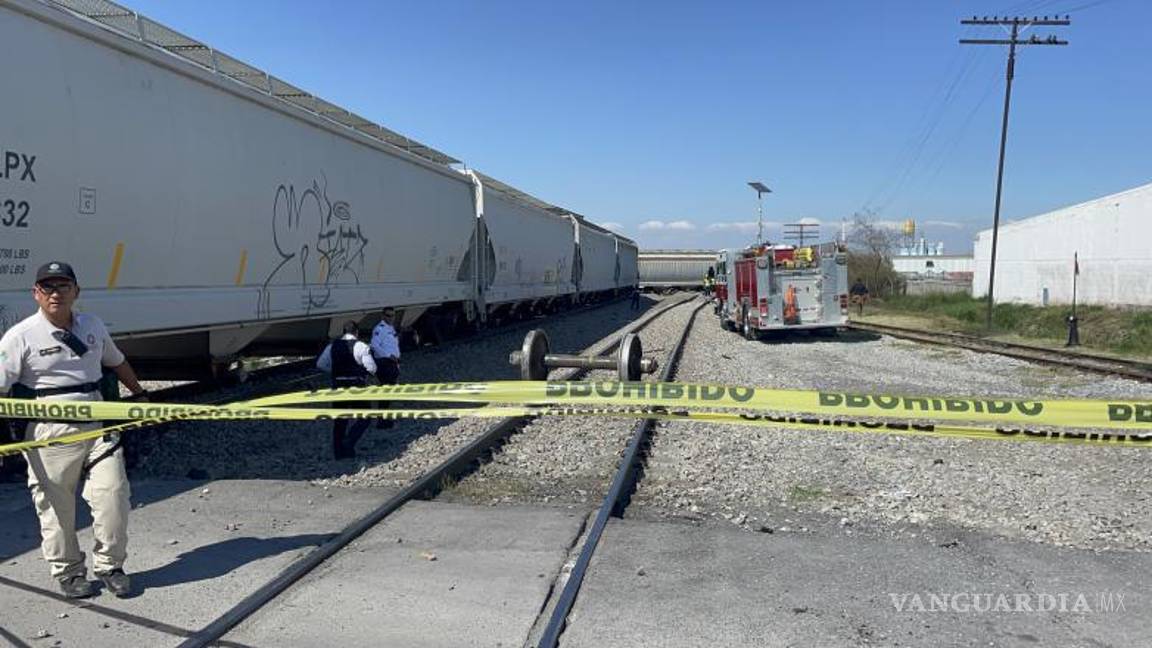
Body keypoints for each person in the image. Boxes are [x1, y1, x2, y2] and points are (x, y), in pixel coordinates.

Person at [0, 261, 148, 599]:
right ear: (36, 294)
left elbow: (115, 361)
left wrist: (140, 394)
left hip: (97, 427)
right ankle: (68, 572)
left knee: (113, 494)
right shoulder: (19, 337)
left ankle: (111, 566)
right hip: (50, 434)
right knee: (56, 506)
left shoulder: (92, 326)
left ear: (76, 292)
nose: (56, 293)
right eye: (48, 287)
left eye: (63, 286)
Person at [316, 321, 376, 459]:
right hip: (357, 387)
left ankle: (339, 453)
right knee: (365, 417)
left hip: (338, 386)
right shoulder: (361, 346)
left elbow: (320, 364)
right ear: (357, 332)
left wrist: (335, 372)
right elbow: (371, 368)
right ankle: (349, 442)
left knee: (340, 420)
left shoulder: (332, 346)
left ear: (343, 332)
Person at [369, 308, 401, 429]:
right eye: (388, 316)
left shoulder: (390, 328)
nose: (391, 318)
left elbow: (393, 346)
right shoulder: (379, 329)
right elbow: (374, 345)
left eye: (393, 316)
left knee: (389, 393)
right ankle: (381, 421)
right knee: (386, 393)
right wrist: (389, 356)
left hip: (392, 364)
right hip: (385, 364)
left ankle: (384, 418)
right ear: (383, 316)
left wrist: (397, 363)